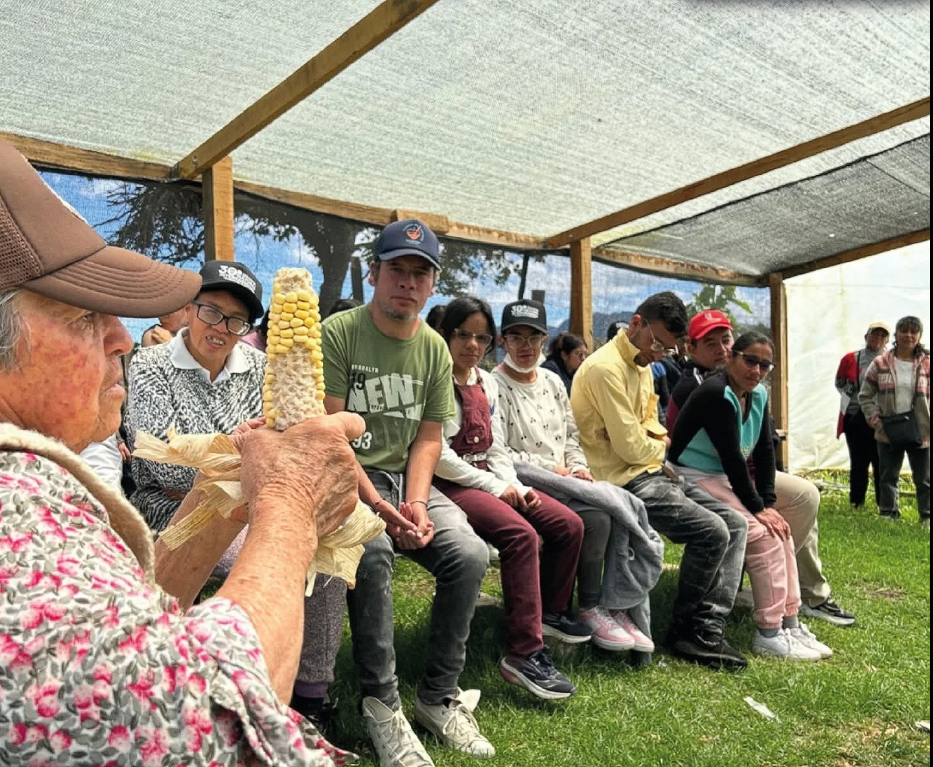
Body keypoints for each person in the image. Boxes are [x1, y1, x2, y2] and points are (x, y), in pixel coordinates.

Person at [0, 137, 363, 766]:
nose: (120, 336)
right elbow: (205, 733)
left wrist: (229, 493)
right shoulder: (16, 510)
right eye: (83, 316)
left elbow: (133, 636)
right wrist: (291, 499)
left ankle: (317, 692)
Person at [294, 220, 493, 767]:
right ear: (375, 273)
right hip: (345, 477)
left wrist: (418, 503)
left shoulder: (433, 348)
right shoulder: (339, 332)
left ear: (432, 285)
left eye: (420, 274)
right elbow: (333, 438)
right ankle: (382, 703)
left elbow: (429, 436)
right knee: (373, 551)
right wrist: (380, 509)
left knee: (470, 554)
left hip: (406, 480)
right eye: (397, 270)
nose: (408, 282)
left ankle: (437, 696)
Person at [571, 292, 750, 670]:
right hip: (621, 479)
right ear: (636, 323)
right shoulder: (605, 368)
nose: (659, 353)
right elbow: (633, 447)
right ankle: (686, 630)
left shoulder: (640, 366)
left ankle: (707, 626)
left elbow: (654, 429)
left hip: (651, 472)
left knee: (736, 523)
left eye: (667, 349)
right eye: (657, 343)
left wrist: (654, 443)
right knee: (713, 531)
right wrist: (657, 446)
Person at [493, 300, 664, 660]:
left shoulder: (554, 381)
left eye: (534, 338)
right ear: (502, 341)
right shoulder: (495, 386)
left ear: (545, 341)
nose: (525, 347)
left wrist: (577, 466)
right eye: (516, 337)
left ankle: (604, 605)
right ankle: (578, 608)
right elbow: (500, 451)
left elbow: (572, 436)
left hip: (565, 477)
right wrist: (555, 471)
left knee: (611, 512)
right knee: (595, 515)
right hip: (526, 478)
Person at [434, 297, 585, 700]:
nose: (471, 345)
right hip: (450, 482)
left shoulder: (484, 383)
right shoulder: (435, 378)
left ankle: (548, 615)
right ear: (445, 334)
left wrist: (513, 485)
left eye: (480, 337)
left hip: (488, 476)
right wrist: (496, 489)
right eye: (462, 334)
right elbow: (441, 455)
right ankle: (523, 652)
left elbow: (496, 446)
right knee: (523, 536)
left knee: (568, 524)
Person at [669, 310, 856, 627]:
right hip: (709, 473)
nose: (722, 349)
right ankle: (768, 599)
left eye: (726, 340)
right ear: (691, 349)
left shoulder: (751, 388)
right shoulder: (699, 388)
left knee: (803, 498)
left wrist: (766, 499)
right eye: (710, 343)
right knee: (766, 527)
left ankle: (804, 595)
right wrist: (758, 503)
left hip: (741, 472)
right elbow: (729, 454)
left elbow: (765, 441)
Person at [126, 260, 267, 533]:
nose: (222, 328)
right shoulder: (150, 364)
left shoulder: (261, 367)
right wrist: (239, 447)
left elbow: (278, 449)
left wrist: (208, 461)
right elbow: (167, 466)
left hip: (252, 505)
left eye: (237, 320)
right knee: (262, 554)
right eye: (212, 312)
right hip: (167, 508)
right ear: (189, 310)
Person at [859, 315, 930, 525]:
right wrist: (875, 419)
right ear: (896, 335)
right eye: (904, 331)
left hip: (921, 430)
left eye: (913, 331)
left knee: (924, 478)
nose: (909, 335)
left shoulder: (927, 364)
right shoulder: (880, 363)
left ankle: (927, 516)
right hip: (888, 428)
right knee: (888, 475)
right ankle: (889, 513)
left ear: (919, 336)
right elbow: (865, 395)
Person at [836, 322, 890, 507]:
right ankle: (856, 501)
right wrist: (854, 397)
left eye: (882, 336)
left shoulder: (892, 360)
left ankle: (883, 503)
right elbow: (839, 383)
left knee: (881, 461)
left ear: (888, 340)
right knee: (858, 461)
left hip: (882, 417)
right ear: (866, 336)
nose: (877, 339)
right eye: (874, 335)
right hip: (855, 415)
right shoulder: (851, 358)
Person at [541, 331, 588, 396]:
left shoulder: (577, 372)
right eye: (578, 354)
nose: (583, 358)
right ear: (564, 355)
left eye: (585, 354)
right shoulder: (550, 370)